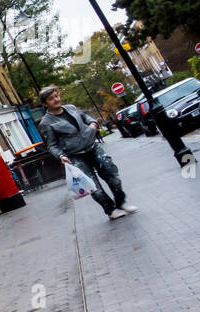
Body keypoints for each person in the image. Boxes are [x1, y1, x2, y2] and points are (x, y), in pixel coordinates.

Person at [38, 85, 138, 220]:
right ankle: (111, 209)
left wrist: (92, 123)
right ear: (45, 104)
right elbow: (52, 145)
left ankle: (121, 202)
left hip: (92, 147)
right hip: (74, 155)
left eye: (57, 96)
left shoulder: (71, 108)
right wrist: (61, 156)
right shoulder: (46, 123)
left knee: (111, 172)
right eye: (51, 99)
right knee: (93, 187)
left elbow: (86, 117)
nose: (56, 100)